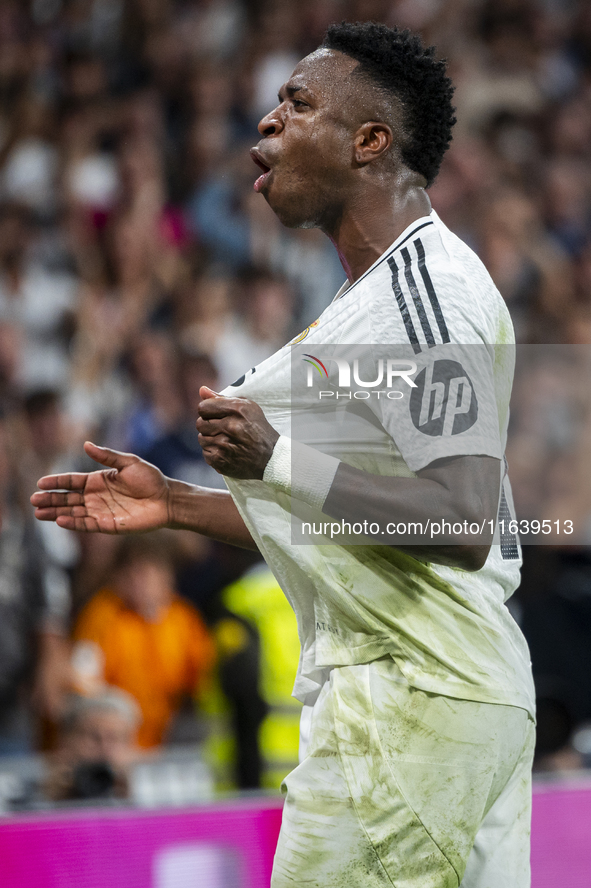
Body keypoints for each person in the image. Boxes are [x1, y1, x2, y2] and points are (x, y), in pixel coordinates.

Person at [31, 22, 535, 888]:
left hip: (410, 705)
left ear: (369, 140)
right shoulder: (374, 298)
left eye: (297, 104)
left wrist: (277, 458)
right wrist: (179, 505)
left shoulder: (426, 292)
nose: (266, 123)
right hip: (448, 699)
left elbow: (459, 519)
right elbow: (355, 513)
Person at [71, 535, 215, 748]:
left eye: (146, 572)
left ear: (167, 576)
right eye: (130, 572)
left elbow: (204, 679)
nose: (138, 581)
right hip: (115, 744)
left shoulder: (184, 619)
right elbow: (83, 684)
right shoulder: (101, 615)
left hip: (168, 743)